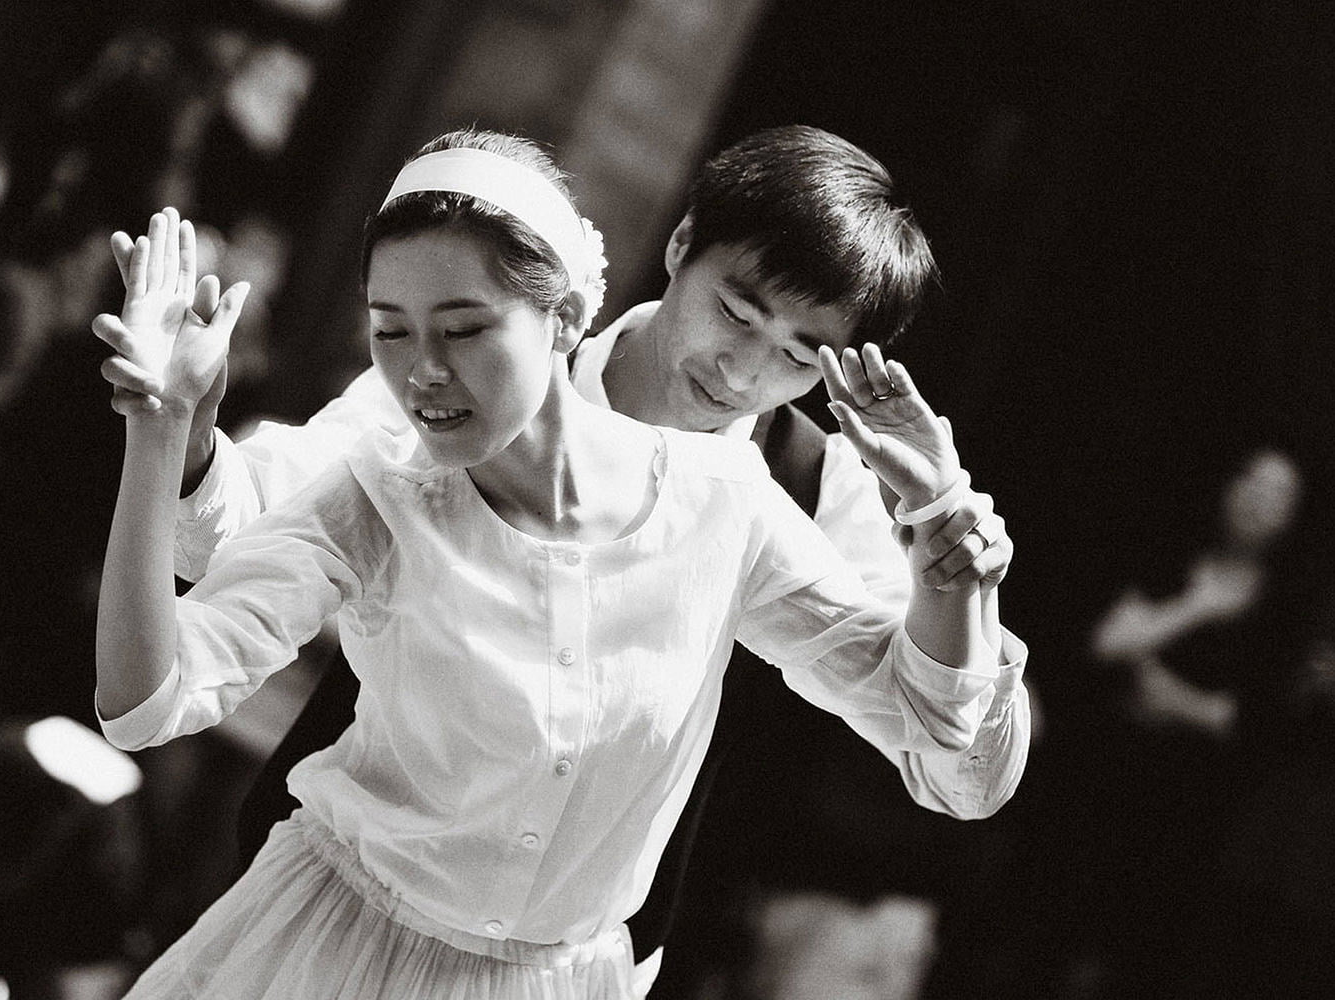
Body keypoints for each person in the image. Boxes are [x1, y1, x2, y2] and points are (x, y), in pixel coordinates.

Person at [92, 129, 1020, 998]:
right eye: (735, 313)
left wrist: (955, 552)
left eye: (798, 358)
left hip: (578, 959)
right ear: (681, 244)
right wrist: (175, 430)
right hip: (342, 911)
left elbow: (954, 755)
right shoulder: (455, 382)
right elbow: (237, 546)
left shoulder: (782, 496)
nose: (742, 372)